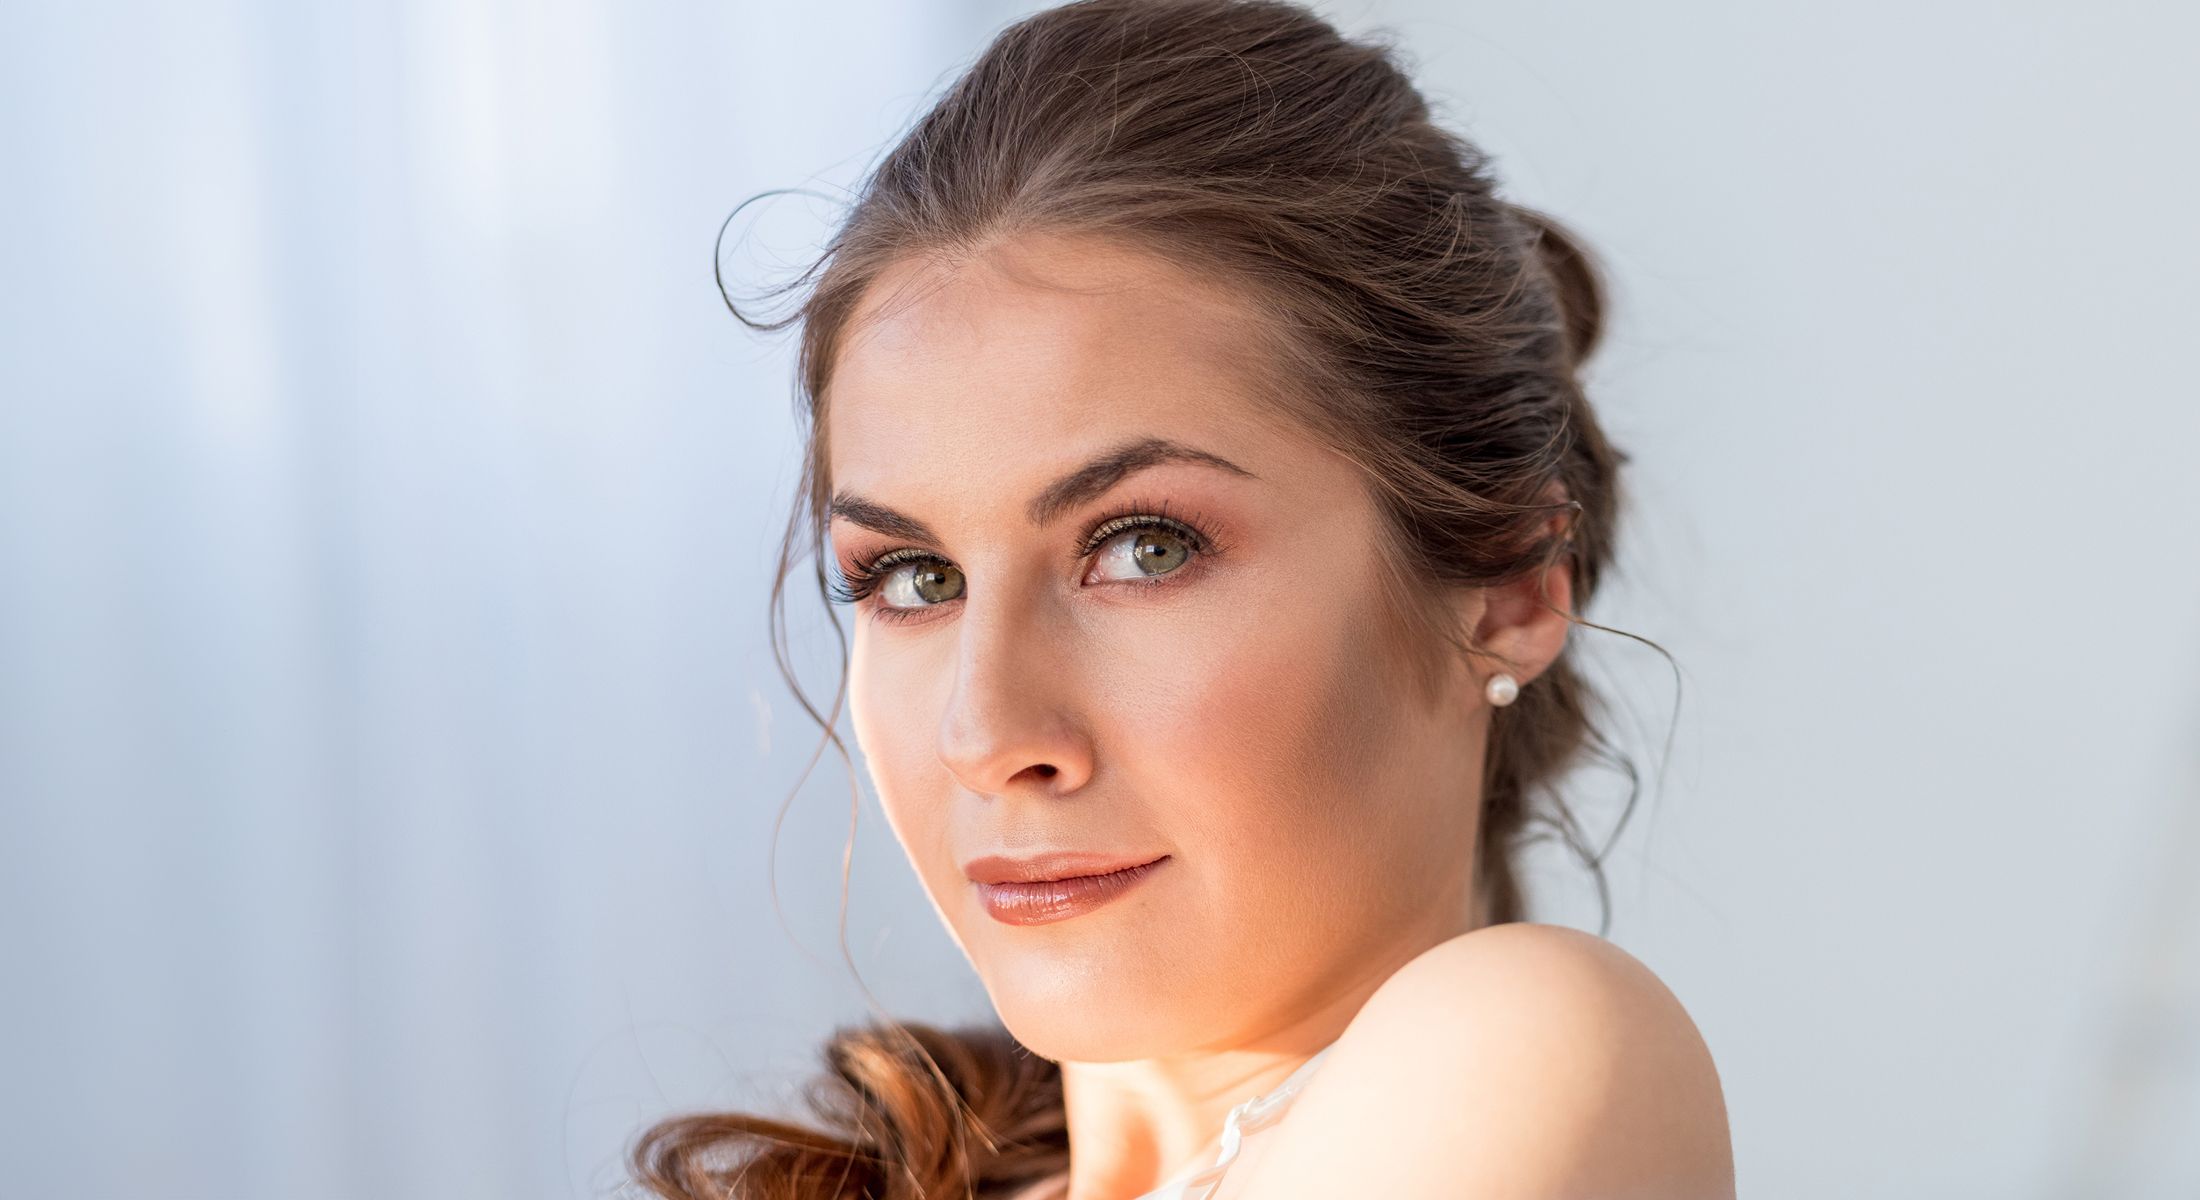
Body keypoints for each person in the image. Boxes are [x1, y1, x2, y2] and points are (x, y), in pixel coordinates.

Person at [631, 1, 1734, 1196]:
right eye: (917, 579)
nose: (984, 735)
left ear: (1509, 587)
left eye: (1144, 549)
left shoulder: (1526, 1038)